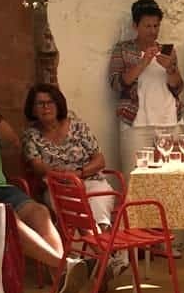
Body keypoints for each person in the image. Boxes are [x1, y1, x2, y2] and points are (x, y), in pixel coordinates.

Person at [0, 66, 87, 293]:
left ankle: (61, 275)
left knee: (40, 212)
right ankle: (64, 266)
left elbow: (14, 143)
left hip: (1, 187)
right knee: (9, 220)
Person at [22, 83, 129, 282]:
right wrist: (62, 176)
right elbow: (37, 167)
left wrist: (79, 173)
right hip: (58, 187)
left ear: (58, 104)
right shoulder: (31, 135)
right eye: (40, 104)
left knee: (98, 205)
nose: (45, 107)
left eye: (50, 102)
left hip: (89, 180)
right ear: (32, 108)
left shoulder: (78, 126)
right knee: (77, 209)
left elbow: (100, 160)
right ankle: (107, 259)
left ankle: (99, 261)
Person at [109, 0, 184, 170]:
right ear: (136, 26)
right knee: (135, 176)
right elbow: (116, 84)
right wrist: (143, 63)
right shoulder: (123, 49)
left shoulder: (168, 51)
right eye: (147, 26)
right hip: (136, 123)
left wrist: (171, 69)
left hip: (169, 121)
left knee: (172, 177)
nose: (153, 31)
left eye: (156, 26)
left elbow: (178, 88)